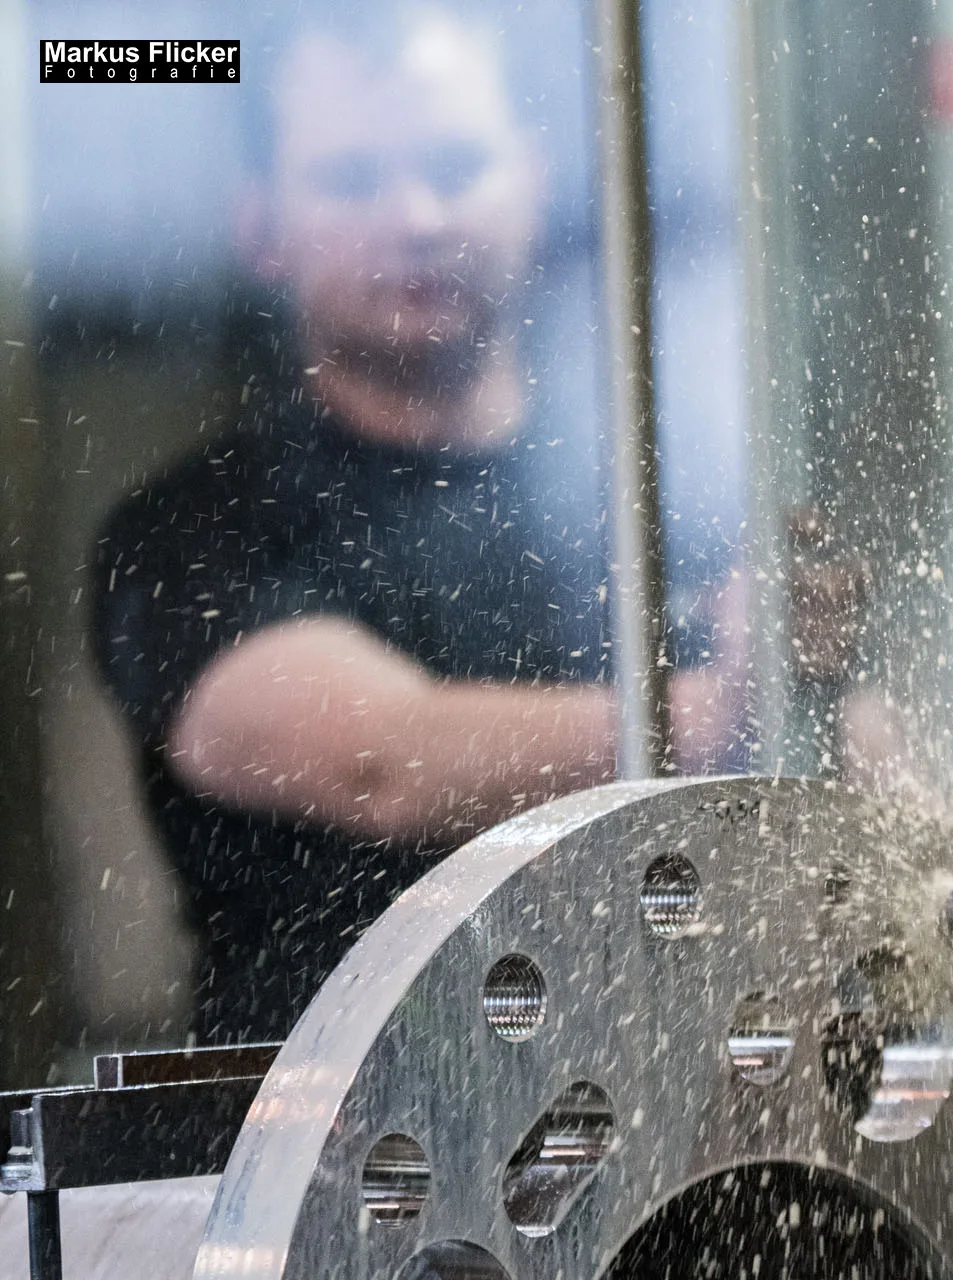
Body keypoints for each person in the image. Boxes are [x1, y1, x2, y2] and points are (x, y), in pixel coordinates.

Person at [91, 6, 789, 1043]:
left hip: (680, 1101)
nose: (416, 217)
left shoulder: (659, 491)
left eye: (456, 166)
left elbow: (861, 760)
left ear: (536, 181)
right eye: (353, 180)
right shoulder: (193, 531)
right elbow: (385, 763)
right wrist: (729, 716)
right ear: (262, 227)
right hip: (329, 1128)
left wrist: (816, 678)